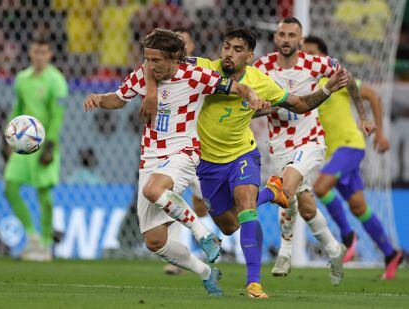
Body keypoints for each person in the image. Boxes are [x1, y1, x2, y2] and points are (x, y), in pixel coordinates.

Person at [142, 27, 349, 298]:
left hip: (242, 154)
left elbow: (298, 104)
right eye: (227, 46)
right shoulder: (203, 68)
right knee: (229, 226)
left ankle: (254, 283)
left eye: (238, 49)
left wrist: (326, 90)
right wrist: (151, 92)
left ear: (250, 56)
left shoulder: (260, 81)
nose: (229, 53)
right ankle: (271, 193)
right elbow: (155, 62)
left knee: (246, 207)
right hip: (207, 162)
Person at [83, 28, 270, 297]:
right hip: (150, 157)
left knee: (152, 190)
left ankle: (203, 233)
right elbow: (119, 98)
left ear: (174, 58)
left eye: (156, 60)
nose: (150, 65)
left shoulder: (195, 75)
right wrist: (100, 99)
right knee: (155, 241)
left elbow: (237, 86)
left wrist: (250, 95)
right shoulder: (144, 74)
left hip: (183, 151)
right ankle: (206, 272)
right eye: (147, 59)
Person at [253, 17, 375, 285]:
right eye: (281, 34)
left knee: (286, 186)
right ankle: (333, 251)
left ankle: (284, 252)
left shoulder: (316, 63)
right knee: (305, 207)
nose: (286, 39)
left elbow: (348, 79)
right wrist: (269, 107)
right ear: (276, 38)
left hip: (310, 141)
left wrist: (363, 116)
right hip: (279, 145)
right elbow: (253, 107)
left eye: (291, 35)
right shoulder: (261, 67)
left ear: (300, 40)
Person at [303, 35, 403, 279]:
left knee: (321, 187)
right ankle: (391, 253)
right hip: (335, 151)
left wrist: (379, 134)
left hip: (350, 146)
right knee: (359, 206)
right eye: (305, 55)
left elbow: (373, 96)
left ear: (325, 58)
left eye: (313, 54)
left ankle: (348, 236)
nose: (309, 59)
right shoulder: (305, 85)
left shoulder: (334, 78)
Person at [4, 34, 68, 261]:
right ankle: (31, 236)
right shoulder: (22, 79)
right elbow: (18, 109)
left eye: (44, 52)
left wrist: (50, 145)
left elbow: (57, 116)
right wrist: (9, 138)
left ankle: (46, 246)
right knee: (10, 188)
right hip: (22, 144)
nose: (39, 56)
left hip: (44, 145)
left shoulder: (56, 81)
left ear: (50, 54)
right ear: (30, 53)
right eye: (36, 51)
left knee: (44, 196)